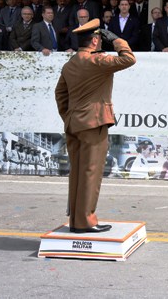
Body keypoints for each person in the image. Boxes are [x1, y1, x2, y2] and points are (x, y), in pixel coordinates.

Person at [54, 19, 136, 233]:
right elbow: (129, 59)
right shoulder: (97, 60)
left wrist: (69, 116)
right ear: (96, 39)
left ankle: (76, 220)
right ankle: (85, 221)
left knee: (78, 172)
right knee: (91, 172)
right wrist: (117, 40)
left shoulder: (70, 63)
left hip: (74, 124)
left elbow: (60, 94)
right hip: (94, 123)